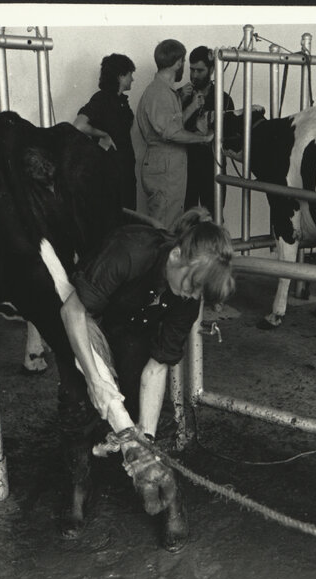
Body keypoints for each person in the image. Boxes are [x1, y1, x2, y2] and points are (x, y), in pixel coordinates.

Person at [55, 207, 235, 552]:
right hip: (86, 321)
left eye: (201, 293)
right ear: (177, 255)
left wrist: (145, 445)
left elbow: (157, 367)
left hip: (133, 329)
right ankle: (79, 485)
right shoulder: (130, 250)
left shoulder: (187, 297)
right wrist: (94, 378)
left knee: (147, 406)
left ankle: (164, 488)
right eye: (193, 285)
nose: (192, 297)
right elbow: (72, 311)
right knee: (77, 400)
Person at [136, 39, 213, 231]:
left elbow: (171, 124)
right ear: (179, 62)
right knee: (165, 228)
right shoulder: (159, 92)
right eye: (185, 63)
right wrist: (204, 138)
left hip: (169, 168)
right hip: (166, 170)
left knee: (171, 224)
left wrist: (192, 106)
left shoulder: (166, 92)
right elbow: (171, 133)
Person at [73, 53, 138, 211]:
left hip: (124, 171)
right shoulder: (101, 99)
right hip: (111, 173)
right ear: (121, 76)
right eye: (130, 75)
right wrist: (103, 135)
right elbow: (79, 125)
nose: (132, 79)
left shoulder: (121, 101)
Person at [180, 45, 235, 213]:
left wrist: (213, 133)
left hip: (212, 168)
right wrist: (182, 101)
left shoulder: (223, 99)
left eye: (200, 70)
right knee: (185, 218)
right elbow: (169, 129)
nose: (194, 75)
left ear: (212, 69)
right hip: (185, 168)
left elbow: (231, 135)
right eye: (191, 70)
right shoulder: (180, 95)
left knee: (213, 217)